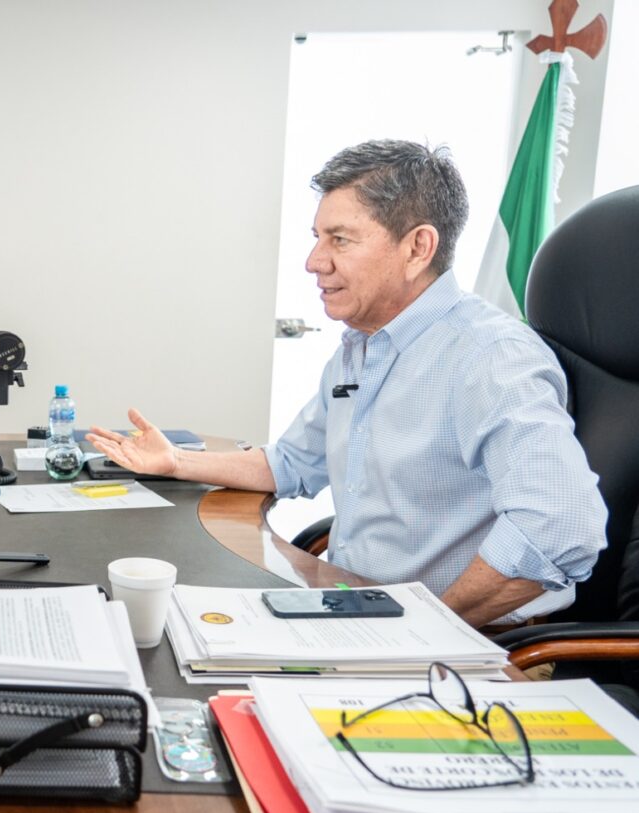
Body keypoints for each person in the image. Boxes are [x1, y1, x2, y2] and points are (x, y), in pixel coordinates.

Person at [88, 140, 606, 628]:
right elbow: (292, 463)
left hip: (477, 644)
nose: (314, 262)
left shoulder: (490, 357)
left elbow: (559, 526)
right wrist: (176, 462)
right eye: (317, 239)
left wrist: (430, 631)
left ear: (418, 248)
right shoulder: (362, 348)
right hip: (360, 611)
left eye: (340, 239)